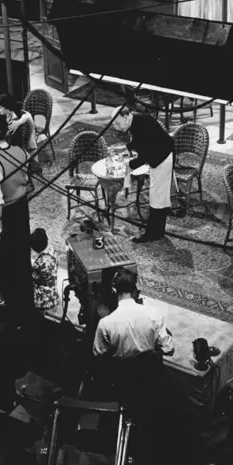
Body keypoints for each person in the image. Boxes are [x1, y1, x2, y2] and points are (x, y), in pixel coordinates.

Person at [0, 115, 34, 326]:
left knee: (5, 259)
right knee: (22, 254)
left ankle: (10, 304)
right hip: (23, 207)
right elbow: (27, 177)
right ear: (6, 132)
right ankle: (26, 304)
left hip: (6, 211)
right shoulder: (21, 151)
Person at [116, 93, 176, 243]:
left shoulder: (140, 123)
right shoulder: (136, 121)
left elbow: (144, 155)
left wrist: (129, 165)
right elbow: (139, 141)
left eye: (118, 123)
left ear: (126, 116)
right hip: (161, 154)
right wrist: (127, 148)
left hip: (162, 157)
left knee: (156, 198)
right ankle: (158, 228)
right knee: (159, 195)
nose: (117, 127)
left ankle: (152, 233)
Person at [93, 268, 174, 359]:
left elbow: (99, 356)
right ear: (134, 289)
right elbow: (169, 349)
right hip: (150, 371)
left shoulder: (105, 323)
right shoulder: (153, 314)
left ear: (114, 291)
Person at [30, 227, 59, 311]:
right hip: (53, 291)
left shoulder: (39, 263)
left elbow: (33, 279)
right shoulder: (52, 250)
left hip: (43, 299)